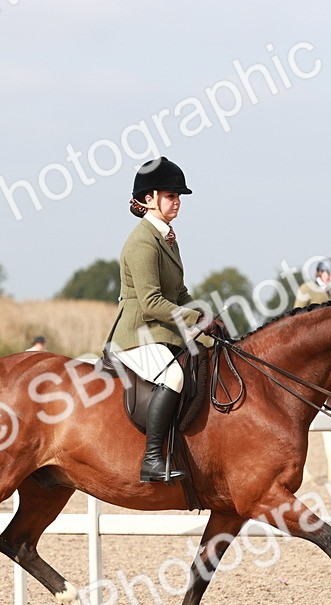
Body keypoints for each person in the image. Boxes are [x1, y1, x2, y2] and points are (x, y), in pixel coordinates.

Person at [105, 157, 218, 484]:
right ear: (148, 199)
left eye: (178, 196)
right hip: (136, 334)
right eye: (170, 196)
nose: (177, 202)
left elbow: (179, 292)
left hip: (162, 333)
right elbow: (153, 303)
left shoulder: (167, 237)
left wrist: (209, 321)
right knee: (174, 377)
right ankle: (152, 458)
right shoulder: (141, 242)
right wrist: (196, 319)